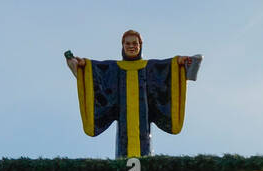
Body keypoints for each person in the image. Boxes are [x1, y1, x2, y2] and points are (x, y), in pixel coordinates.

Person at [66, 30, 202, 158]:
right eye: (128, 43)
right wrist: (81, 66)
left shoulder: (150, 68)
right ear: (122, 46)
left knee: (141, 160)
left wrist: (181, 63)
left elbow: (168, 69)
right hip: (123, 135)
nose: (131, 46)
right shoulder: (114, 69)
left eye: (135, 43)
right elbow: (96, 77)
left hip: (144, 130)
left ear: (140, 46)